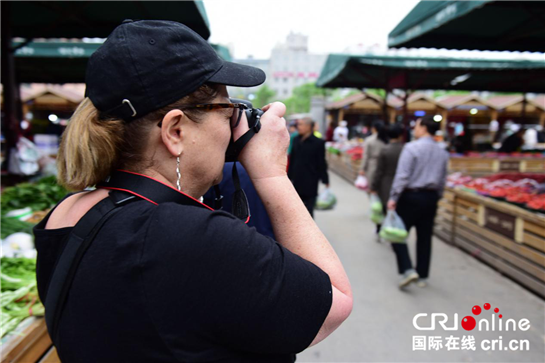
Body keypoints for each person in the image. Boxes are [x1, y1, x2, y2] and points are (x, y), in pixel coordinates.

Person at [33, 20, 352, 363]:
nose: (233, 127)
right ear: (175, 131)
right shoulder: (192, 236)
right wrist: (271, 173)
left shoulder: (65, 214)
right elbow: (334, 301)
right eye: (226, 111)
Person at [387, 116, 449, 289]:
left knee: (396, 233)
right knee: (425, 236)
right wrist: (438, 196)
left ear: (423, 128)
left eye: (416, 125)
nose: (414, 128)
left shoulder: (411, 148)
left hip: (410, 196)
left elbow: (402, 175)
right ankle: (422, 275)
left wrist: (393, 197)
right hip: (431, 197)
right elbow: (443, 178)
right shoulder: (442, 151)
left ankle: (407, 269)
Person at [288, 117, 330, 218]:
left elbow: (321, 162)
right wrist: (288, 176)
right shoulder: (296, 140)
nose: (299, 127)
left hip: (311, 179)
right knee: (296, 207)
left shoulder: (318, 142)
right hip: (297, 178)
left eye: (301, 124)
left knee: (309, 209)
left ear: (308, 127)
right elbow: (292, 158)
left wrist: (325, 179)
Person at [370, 124, 404, 240]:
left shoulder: (385, 150)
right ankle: (393, 230)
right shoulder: (404, 149)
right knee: (396, 209)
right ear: (400, 135)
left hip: (385, 183)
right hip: (400, 184)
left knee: (383, 209)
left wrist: (374, 186)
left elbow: (379, 171)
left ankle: (381, 230)